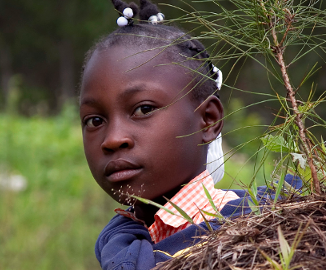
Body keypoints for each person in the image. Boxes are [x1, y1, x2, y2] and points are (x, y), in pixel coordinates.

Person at [78, 0, 263, 269]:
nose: (113, 139)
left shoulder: (252, 232)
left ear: (208, 120)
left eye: (143, 109)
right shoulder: (118, 244)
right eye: (95, 120)